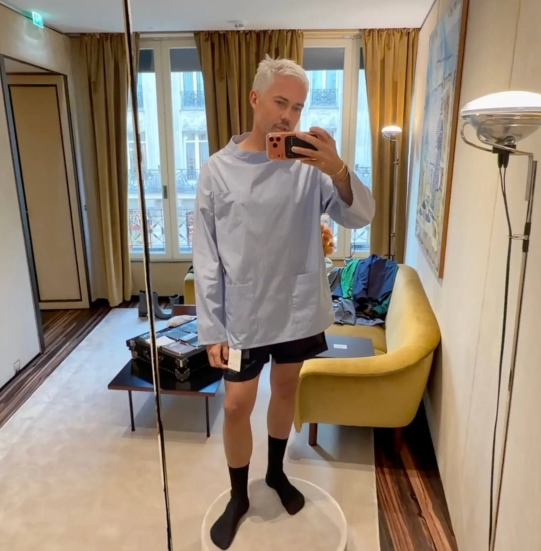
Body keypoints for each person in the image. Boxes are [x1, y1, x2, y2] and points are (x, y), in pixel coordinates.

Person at [192, 55, 375, 550]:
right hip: (242, 312)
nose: (288, 116)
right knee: (236, 405)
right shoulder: (217, 170)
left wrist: (338, 169)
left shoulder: (309, 169)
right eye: (280, 102)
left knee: (287, 387)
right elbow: (206, 257)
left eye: (297, 107)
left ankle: (275, 472)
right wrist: (211, 328)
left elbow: (360, 215)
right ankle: (238, 495)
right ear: (255, 99)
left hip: (297, 306)